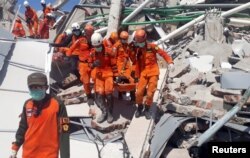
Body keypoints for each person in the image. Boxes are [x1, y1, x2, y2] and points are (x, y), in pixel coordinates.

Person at [9, 72, 70, 158]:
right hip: (28, 154)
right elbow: (22, 127)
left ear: (46, 87)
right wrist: (15, 148)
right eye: (32, 87)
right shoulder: (27, 104)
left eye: (39, 87)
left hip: (49, 155)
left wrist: (65, 156)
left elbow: (64, 132)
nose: (35, 90)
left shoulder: (58, 104)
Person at [133, 29, 174, 119]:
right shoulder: (138, 51)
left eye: (140, 42)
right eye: (138, 42)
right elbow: (137, 65)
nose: (139, 44)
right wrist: (136, 77)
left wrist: (170, 62)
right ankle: (139, 107)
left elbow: (163, 53)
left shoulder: (152, 47)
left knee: (150, 93)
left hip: (153, 72)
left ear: (144, 40)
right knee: (139, 92)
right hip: (143, 73)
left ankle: (147, 108)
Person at [66, 24, 95, 106]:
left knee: (97, 79)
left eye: (90, 32)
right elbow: (71, 48)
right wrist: (68, 56)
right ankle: (89, 96)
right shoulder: (80, 40)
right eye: (87, 32)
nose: (88, 34)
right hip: (83, 64)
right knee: (85, 82)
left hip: (94, 64)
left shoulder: (96, 39)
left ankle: (99, 94)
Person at [90, 32, 116, 123]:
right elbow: (89, 64)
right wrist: (93, 64)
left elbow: (114, 64)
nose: (97, 48)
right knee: (100, 94)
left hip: (108, 73)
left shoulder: (109, 51)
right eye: (95, 46)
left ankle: (110, 112)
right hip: (99, 74)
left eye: (98, 46)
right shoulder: (93, 53)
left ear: (102, 43)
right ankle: (104, 111)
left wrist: (116, 76)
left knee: (108, 94)